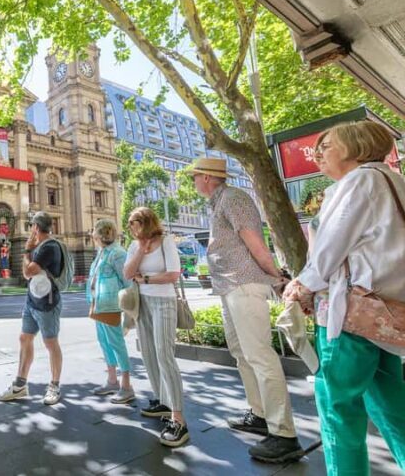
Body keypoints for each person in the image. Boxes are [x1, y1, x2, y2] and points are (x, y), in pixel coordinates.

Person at [283, 121, 405, 475]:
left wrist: (300, 286)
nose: (317, 154)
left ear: (356, 146)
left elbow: (328, 252)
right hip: (383, 315)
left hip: (349, 315)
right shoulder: (393, 180)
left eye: (327, 146)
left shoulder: (359, 182)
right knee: (391, 407)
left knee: (339, 413)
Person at [189, 157, 303, 463]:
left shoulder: (234, 198)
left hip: (245, 284)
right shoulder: (219, 202)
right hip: (230, 287)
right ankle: (260, 414)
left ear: (207, 177)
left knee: (259, 355)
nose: (193, 182)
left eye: (194, 177)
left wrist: (277, 277)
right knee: (241, 353)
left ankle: (284, 435)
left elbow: (255, 242)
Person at [123, 207, 189, 447]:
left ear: (146, 222)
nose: (131, 227)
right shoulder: (134, 246)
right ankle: (162, 400)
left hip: (164, 301)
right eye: (130, 223)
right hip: (142, 302)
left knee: (164, 355)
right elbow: (128, 273)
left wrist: (146, 279)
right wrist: (141, 251)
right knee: (149, 353)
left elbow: (173, 274)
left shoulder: (166, 242)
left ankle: (178, 419)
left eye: (134, 223)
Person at [0, 211, 64, 405]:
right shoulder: (40, 246)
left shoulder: (49, 247)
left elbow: (27, 272)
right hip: (32, 301)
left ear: (35, 227)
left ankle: (54, 386)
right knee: (25, 338)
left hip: (47, 303)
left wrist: (26, 251)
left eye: (31, 226)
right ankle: (20, 385)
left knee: (51, 343)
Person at [87, 219, 134, 404]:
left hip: (111, 306)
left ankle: (127, 387)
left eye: (94, 231)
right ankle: (112, 381)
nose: (92, 234)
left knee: (116, 343)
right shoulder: (102, 252)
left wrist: (128, 312)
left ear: (100, 234)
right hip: (98, 305)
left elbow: (128, 283)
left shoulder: (117, 253)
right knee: (105, 342)